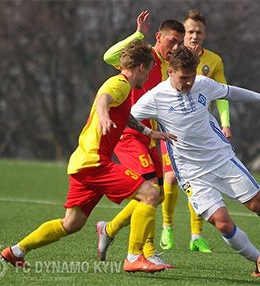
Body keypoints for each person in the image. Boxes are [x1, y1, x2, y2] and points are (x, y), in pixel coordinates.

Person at [0, 39, 177, 273]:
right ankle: (134, 257)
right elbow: (104, 97)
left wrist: (148, 131)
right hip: (96, 163)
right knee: (151, 194)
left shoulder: (122, 88)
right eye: (150, 70)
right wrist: (103, 115)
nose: (147, 79)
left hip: (81, 163)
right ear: (142, 67)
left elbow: (125, 115)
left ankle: (15, 251)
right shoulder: (120, 83)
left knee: (71, 223)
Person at [131, 45, 260, 277]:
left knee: (257, 204)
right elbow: (127, 116)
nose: (188, 82)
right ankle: (259, 260)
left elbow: (230, 92)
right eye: (183, 78)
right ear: (170, 71)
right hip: (191, 172)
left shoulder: (203, 84)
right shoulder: (156, 97)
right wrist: (149, 133)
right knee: (222, 223)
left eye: (191, 77)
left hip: (221, 159)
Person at [95, 10, 184, 265]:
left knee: (159, 195)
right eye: (172, 41)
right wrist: (137, 35)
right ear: (159, 37)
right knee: (151, 191)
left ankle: (109, 229)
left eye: (180, 42)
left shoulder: (168, 67)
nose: (175, 47)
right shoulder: (141, 56)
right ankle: (143, 253)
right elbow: (109, 56)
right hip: (128, 135)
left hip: (149, 136)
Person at [160, 9, 232, 252]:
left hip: (200, 133)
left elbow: (223, 94)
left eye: (198, 32)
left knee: (199, 181)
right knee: (170, 178)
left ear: (205, 34)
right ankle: (167, 227)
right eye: (190, 31)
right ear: (183, 32)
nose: (194, 36)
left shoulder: (213, 61)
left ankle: (196, 236)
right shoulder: (171, 57)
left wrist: (225, 123)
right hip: (170, 130)